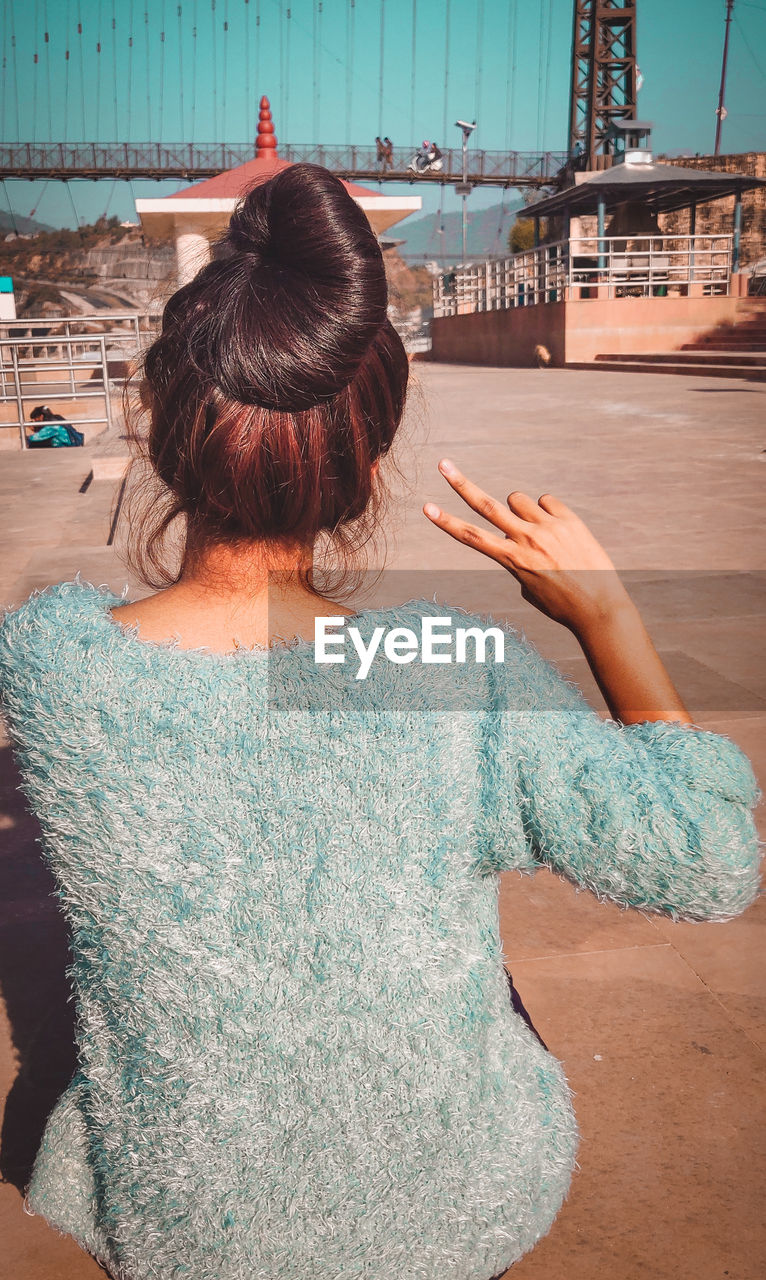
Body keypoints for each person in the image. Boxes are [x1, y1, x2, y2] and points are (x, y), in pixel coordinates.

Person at [0, 164, 759, 1280]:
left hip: (184, 1222)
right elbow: (710, 859)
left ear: (165, 427)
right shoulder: (439, 664)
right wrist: (605, 615)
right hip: (454, 1212)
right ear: (369, 452)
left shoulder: (53, 659)